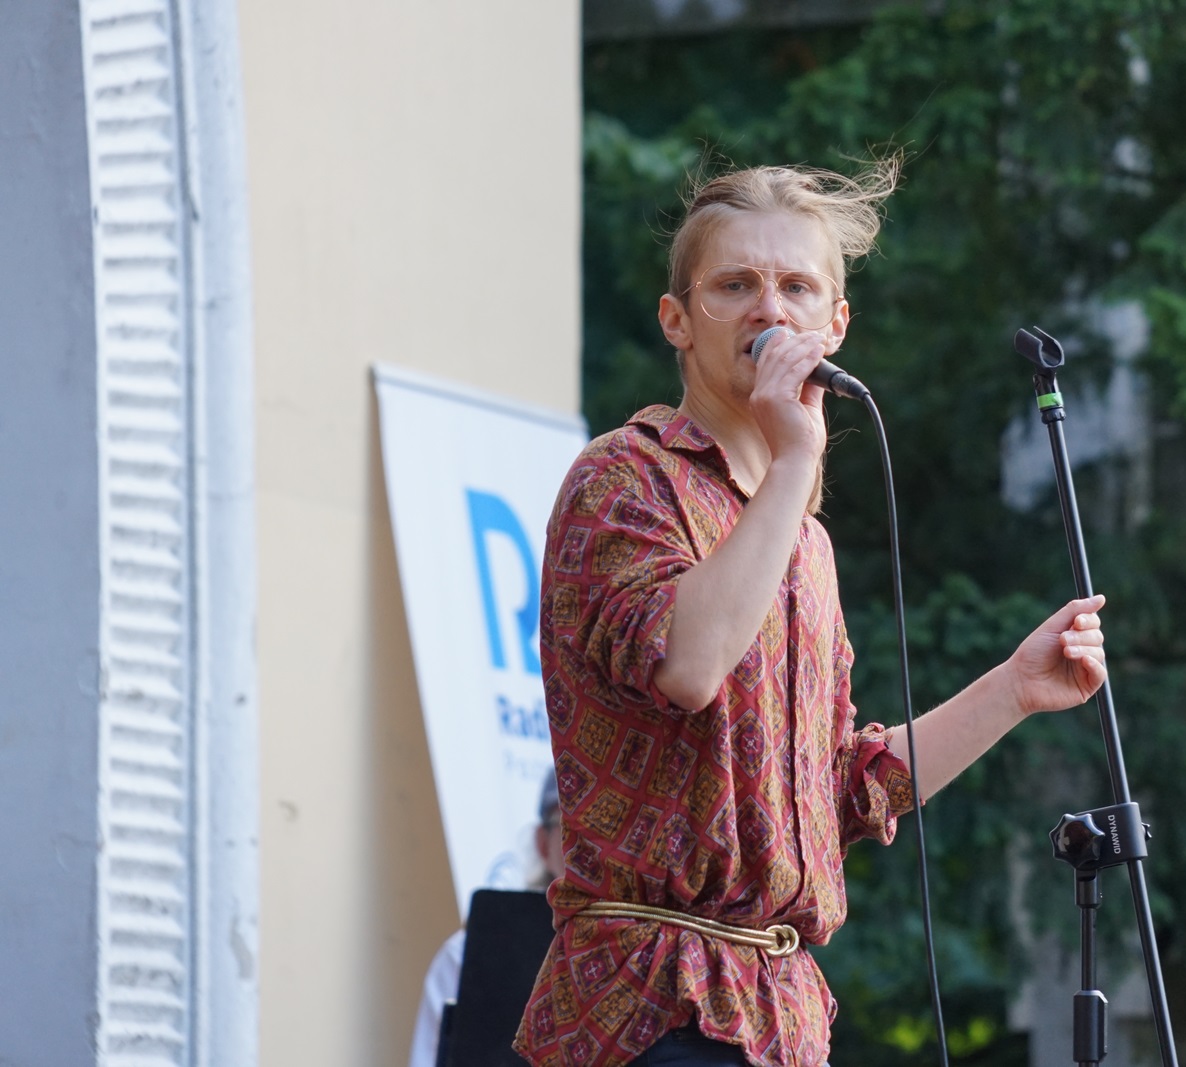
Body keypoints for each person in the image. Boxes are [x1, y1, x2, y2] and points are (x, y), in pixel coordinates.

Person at [514, 162, 1108, 1067]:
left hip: (780, 1017)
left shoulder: (804, 542)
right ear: (677, 319)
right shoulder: (624, 476)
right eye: (734, 286)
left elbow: (838, 792)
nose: (769, 309)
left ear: (835, 325)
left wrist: (1016, 688)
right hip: (646, 1007)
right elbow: (688, 665)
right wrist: (796, 461)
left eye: (797, 287)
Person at [411, 767, 564, 1067]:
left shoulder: (656, 956)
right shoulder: (464, 956)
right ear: (543, 844)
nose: (597, 850)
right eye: (574, 829)